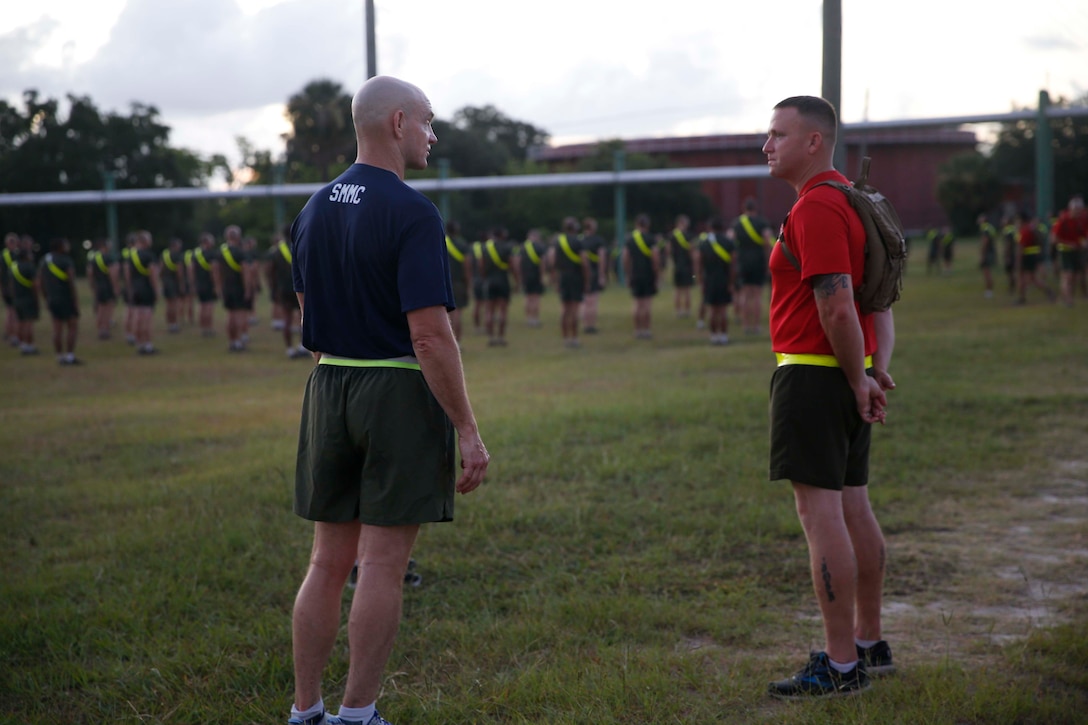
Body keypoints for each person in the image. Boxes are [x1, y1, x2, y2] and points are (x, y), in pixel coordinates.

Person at [287, 75, 489, 725]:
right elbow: (429, 336)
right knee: (381, 562)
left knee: (326, 561)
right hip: (396, 388)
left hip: (328, 386)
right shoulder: (412, 211)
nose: (434, 135)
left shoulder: (312, 209)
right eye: (429, 121)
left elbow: (307, 318)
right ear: (398, 123)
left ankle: (305, 709)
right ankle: (358, 712)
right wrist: (467, 427)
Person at [761, 95, 896, 699]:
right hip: (849, 374)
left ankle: (841, 665)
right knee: (854, 508)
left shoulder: (817, 206)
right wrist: (872, 373)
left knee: (823, 518)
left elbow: (838, 303)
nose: (767, 146)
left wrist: (852, 378)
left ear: (813, 141)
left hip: (817, 377)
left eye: (778, 135)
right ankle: (870, 642)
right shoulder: (856, 198)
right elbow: (880, 302)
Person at [733, 197, 774, 334]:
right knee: (757, 295)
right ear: (755, 209)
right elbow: (767, 242)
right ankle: (756, 326)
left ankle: (745, 325)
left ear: (743, 208)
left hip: (743, 261)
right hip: (758, 261)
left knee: (745, 294)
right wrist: (769, 261)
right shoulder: (762, 222)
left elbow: (731, 240)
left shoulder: (737, 223)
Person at [39, 237, 82, 365]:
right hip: (66, 298)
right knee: (72, 326)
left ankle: (59, 356)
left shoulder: (45, 261)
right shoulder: (66, 260)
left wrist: (46, 297)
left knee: (57, 329)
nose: (68, 246)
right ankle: (70, 356)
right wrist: (75, 300)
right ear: (60, 247)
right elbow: (71, 282)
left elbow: (41, 281)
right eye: (66, 244)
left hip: (52, 298)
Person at [693, 216, 736, 345]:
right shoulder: (728, 242)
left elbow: (698, 263)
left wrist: (699, 280)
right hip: (724, 279)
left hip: (709, 279)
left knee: (712, 310)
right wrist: (731, 282)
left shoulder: (704, 243)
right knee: (722, 310)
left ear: (710, 228)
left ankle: (713, 336)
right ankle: (723, 336)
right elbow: (733, 265)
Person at [548, 216, 590, 348]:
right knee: (574, 310)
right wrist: (587, 280)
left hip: (563, 277)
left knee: (564, 310)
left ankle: (565, 338)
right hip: (576, 277)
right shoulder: (578, 242)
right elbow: (584, 263)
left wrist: (554, 280)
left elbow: (553, 262)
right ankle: (574, 338)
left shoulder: (557, 242)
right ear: (575, 228)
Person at [267, 230, 308, 358]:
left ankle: (289, 349)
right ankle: (302, 346)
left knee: (287, 319)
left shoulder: (276, 251)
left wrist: (273, 288)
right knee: (304, 317)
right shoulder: (301, 246)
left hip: (283, 290)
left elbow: (270, 271)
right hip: (301, 288)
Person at [622, 213, 660, 340]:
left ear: (636, 224)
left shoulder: (630, 239)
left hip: (635, 274)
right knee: (647, 304)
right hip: (648, 274)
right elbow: (655, 258)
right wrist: (657, 274)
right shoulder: (651, 239)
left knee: (637, 304)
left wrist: (627, 274)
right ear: (648, 225)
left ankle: (637, 330)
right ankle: (647, 330)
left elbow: (625, 258)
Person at [479, 226, 519, 347]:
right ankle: (501, 337)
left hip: (489, 281)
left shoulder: (485, 247)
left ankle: (491, 338)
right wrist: (516, 281)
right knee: (502, 311)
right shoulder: (507, 247)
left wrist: (485, 277)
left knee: (489, 311)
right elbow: (513, 265)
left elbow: (481, 265)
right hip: (503, 280)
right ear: (502, 235)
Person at [220, 225, 255, 351]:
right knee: (240, 315)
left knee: (230, 315)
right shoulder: (240, 252)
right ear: (238, 237)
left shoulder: (221, 252)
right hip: (238, 287)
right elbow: (245, 271)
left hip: (226, 287)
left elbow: (217, 271)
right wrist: (248, 289)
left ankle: (232, 342)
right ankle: (239, 342)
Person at [128, 230, 161, 355]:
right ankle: (148, 345)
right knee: (146, 318)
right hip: (146, 289)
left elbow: (128, 274)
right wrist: (156, 290)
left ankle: (139, 344)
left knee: (137, 317)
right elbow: (153, 275)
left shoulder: (131, 255)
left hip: (135, 289)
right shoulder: (149, 255)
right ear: (145, 241)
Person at [1051, 195, 1087, 307]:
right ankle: (1068, 300)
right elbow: (1053, 239)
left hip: (1077, 251)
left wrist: (1084, 241)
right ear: (1071, 209)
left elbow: (1084, 234)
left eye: (1080, 210)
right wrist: (1068, 244)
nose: (1078, 213)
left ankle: (1068, 296)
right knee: (1068, 275)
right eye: (1076, 210)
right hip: (1065, 251)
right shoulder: (1063, 220)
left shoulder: (1081, 220)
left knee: (1075, 277)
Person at [1014, 211, 1056, 305]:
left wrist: (1018, 261)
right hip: (1033, 256)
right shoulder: (1031, 229)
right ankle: (1048, 291)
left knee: (1023, 278)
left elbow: (1020, 247)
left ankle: (1022, 298)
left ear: (1021, 220)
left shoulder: (1024, 231)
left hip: (1026, 257)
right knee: (1032, 279)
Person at [444, 220, 473, 342]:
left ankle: (447, 342)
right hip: (458, 283)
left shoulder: (439, 243)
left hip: (443, 283)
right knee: (457, 313)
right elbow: (467, 266)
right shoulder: (462, 245)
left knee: (445, 316)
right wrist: (468, 283)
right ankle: (457, 342)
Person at [87, 237, 121, 339]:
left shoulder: (94, 257)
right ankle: (105, 330)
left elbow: (90, 272)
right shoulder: (107, 258)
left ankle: (100, 329)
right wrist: (116, 287)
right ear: (104, 246)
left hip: (98, 286)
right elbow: (113, 274)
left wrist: (92, 284)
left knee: (100, 308)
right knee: (108, 309)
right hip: (107, 286)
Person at [9, 240, 40, 355]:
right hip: (28, 298)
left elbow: (11, 284)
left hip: (17, 298)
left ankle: (22, 345)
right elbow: (35, 285)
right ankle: (30, 346)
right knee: (28, 323)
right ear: (26, 256)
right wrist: (37, 299)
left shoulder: (14, 267)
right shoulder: (30, 267)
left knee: (20, 322)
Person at [580, 217, 608, 333]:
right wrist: (602, 275)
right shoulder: (598, 241)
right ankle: (591, 325)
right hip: (594, 272)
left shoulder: (580, 240)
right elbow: (602, 258)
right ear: (593, 228)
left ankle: (585, 323)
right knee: (593, 300)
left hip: (581, 273)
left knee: (584, 300)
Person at [190, 233, 221, 337]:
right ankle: (209, 328)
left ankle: (203, 328)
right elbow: (214, 271)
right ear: (207, 242)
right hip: (208, 284)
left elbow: (191, 270)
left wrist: (193, 284)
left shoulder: (195, 253)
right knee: (209, 307)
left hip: (199, 284)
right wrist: (217, 286)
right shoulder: (211, 254)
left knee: (201, 306)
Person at [518, 227, 548, 329]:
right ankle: (535, 319)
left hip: (525, 275)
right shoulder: (540, 247)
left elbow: (518, 262)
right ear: (536, 237)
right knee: (535, 298)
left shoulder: (522, 247)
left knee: (527, 297)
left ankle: (528, 318)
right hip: (535, 275)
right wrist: (542, 276)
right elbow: (542, 263)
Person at [669, 214, 695, 319]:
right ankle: (687, 311)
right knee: (687, 290)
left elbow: (669, 250)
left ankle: (678, 311)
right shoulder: (689, 236)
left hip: (677, 265)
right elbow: (691, 251)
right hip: (687, 266)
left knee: (677, 290)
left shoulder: (672, 235)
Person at [161, 237, 186, 333]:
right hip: (174, 282)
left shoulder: (164, 254)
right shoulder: (177, 255)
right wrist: (182, 283)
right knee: (174, 304)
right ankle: (174, 324)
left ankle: (170, 324)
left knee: (168, 304)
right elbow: (179, 271)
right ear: (175, 246)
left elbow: (161, 269)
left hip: (166, 282)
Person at [3, 232, 20, 346]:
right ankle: (13, 336)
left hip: (7, 287)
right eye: (11, 242)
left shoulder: (3, 254)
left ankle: (8, 333)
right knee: (13, 312)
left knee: (10, 311)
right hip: (11, 288)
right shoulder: (13, 255)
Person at [977, 214, 997, 299]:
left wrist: (982, 254)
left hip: (987, 253)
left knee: (987, 273)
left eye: (980, 218)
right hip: (991, 252)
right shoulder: (989, 227)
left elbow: (985, 242)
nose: (978, 219)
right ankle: (989, 291)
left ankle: (989, 292)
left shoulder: (985, 228)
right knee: (988, 272)